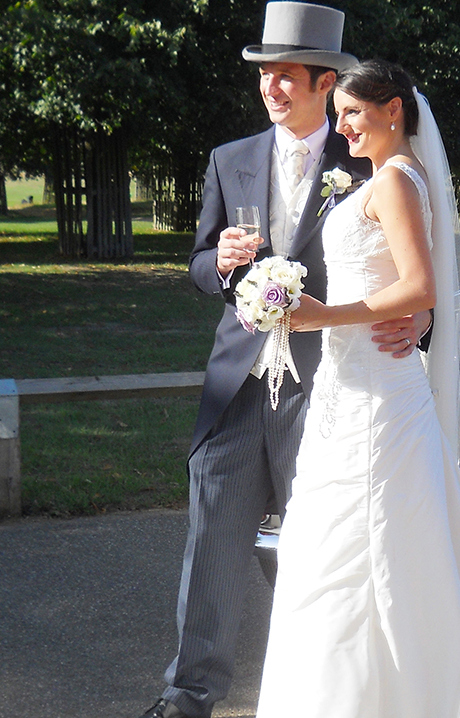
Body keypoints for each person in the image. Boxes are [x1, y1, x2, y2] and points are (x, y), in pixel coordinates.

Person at [255, 60, 460, 718]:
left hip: (377, 392)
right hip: (352, 385)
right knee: (351, 540)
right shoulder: (390, 177)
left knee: (374, 540)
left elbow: (419, 287)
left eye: (353, 112)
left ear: (394, 110)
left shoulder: (398, 180)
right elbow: (405, 287)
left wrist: (324, 315)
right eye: (341, 112)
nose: (342, 124)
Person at [141, 6, 429, 718]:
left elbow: (409, 260)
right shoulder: (228, 159)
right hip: (237, 380)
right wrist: (221, 262)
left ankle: (320, 692)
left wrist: (419, 316)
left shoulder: (362, 153)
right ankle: (187, 696)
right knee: (212, 540)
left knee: (325, 545)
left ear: (323, 82)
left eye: (284, 74)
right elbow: (200, 264)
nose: (270, 85)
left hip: (330, 380)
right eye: (263, 73)